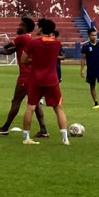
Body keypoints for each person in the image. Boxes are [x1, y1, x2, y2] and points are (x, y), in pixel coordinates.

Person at [0, 18, 48, 137]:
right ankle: (43, 130)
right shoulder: (28, 39)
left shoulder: (22, 38)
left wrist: (6, 43)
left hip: (25, 76)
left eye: (20, 25)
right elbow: (10, 51)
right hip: (33, 75)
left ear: (25, 27)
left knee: (16, 101)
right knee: (35, 103)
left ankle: (5, 128)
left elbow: (7, 46)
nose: (18, 27)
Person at [21, 18, 70, 146]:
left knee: (30, 107)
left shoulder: (33, 42)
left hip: (36, 78)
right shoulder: (57, 43)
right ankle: (65, 139)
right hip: (52, 79)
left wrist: (34, 61)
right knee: (58, 107)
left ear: (42, 28)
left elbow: (23, 60)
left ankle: (26, 137)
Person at [80, 28, 99, 108]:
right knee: (92, 86)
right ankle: (96, 103)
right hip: (91, 69)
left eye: (95, 35)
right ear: (89, 36)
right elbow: (83, 58)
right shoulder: (86, 46)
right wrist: (82, 69)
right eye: (92, 35)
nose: (94, 37)